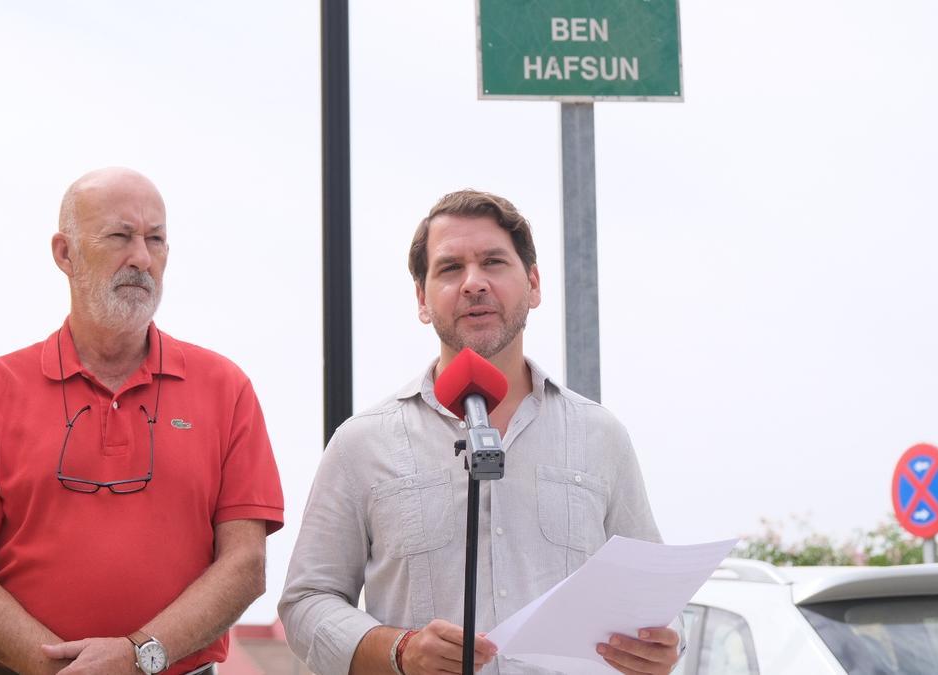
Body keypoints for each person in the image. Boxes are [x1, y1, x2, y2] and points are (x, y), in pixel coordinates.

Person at [279, 190, 681, 675]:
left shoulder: (600, 436)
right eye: (450, 269)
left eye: (493, 262)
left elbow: (654, 601)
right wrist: (398, 650)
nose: (474, 283)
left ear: (532, 284)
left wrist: (662, 646)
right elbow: (306, 603)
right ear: (421, 299)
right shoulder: (361, 444)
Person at [0, 167, 284, 675]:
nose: (141, 257)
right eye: (119, 236)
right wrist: (61, 668)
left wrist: (140, 655)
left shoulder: (226, 389)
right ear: (65, 253)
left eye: (155, 239)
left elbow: (245, 566)